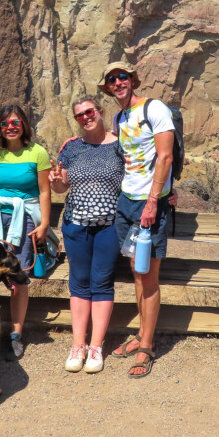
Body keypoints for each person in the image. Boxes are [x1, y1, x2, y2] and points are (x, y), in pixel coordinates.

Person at [100, 62, 174, 379]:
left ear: (132, 80)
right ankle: (141, 335)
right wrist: (72, 145)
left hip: (148, 205)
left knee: (147, 274)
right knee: (135, 270)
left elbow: (166, 156)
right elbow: (115, 149)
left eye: (123, 77)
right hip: (126, 201)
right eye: (112, 80)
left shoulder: (154, 109)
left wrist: (155, 200)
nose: (118, 83)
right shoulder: (120, 118)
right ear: (108, 87)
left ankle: (146, 346)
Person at [0, 105, 52, 360]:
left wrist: (44, 223)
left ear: (24, 124)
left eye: (15, 122)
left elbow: (45, 191)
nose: (11, 127)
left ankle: (16, 333)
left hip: (24, 217)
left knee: (18, 276)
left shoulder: (37, 153)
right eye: (5, 124)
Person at [49, 95, 125, 374]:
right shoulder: (71, 148)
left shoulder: (120, 145)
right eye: (80, 115)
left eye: (89, 112)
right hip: (76, 224)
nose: (86, 117)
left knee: (102, 283)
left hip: (109, 226)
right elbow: (61, 187)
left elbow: (138, 175)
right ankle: (77, 345)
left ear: (101, 112)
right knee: (79, 283)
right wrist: (56, 183)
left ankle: (96, 347)